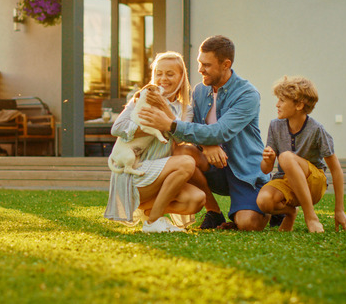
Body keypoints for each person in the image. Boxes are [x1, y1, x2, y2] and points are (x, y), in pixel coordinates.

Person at [139, 35, 270, 231]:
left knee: (247, 223)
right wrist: (208, 145)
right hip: (215, 167)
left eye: (206, 65)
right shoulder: (200, 91)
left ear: (226, 64)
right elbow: (198, 127)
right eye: (200, 63)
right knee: (184, 152)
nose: (200, 70)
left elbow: (220, 131)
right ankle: (214, 212)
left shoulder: (247, 94)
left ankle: (270, 208)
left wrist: (171, 125)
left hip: (244, 171)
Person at [104, 51, 205, 233]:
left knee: (197, 199)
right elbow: (117, 128)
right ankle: (153, 222)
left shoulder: (186, 110)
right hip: (134, 172)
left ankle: (151, 213)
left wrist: (165, 109)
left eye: (170, 74)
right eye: (158, 73)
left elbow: (180, 138)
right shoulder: (141, 99)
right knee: (186, 163)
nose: (163, 79)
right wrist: (152, 125)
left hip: (159, 176)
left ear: (181, 77)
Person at [256, 76, 346, 233]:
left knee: (286, 157)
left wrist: (339, 210)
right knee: (264, 201)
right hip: (286, 181)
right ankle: (290, 213)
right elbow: (266, 170)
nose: (277, 104)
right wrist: (268, 160)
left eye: (282, 100)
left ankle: (311, 217)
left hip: (314, 183)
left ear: (299, 105)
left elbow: (336, 169)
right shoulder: (275, 126)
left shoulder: (316, 130)